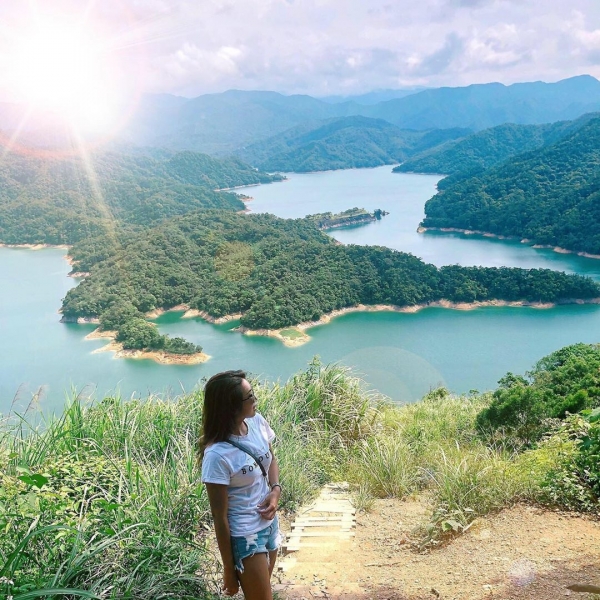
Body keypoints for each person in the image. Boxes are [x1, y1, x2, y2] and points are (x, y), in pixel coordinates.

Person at [200, 370, 282, 599]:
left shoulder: (256, 422)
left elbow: (271, 458)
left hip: (269, 524)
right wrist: (228, 569)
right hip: (246, 534)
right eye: (250, 396)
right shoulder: (217, 455)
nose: (256, 399)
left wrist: (275, 490)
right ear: (232, 406)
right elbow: (219, 516)